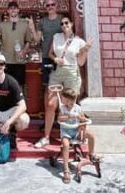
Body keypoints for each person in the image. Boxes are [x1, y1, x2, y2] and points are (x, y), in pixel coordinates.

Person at [35, 16, 91, 148]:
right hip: (57, 72)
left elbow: (81, 62)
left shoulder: (79, 41)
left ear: (71, 24)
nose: (64, 25)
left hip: (72, 72)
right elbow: (50, 53)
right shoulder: (57, 37)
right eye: (62, 23)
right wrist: (55, 60)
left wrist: (85, 50)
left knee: (70, 104)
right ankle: (46, 137)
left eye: (67, 23)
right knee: (50, 104)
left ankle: (71, 137)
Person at [58, 87, 98, 184]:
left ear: (68, 100)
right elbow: (59, 118)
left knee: (91, 135)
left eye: (63, 98)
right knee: (66, 145)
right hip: (66, 132)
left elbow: (83, 119)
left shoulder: (77, 108)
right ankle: (66, 169)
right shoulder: (62, 108)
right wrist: (68, 116)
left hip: (76, 131)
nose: (62, 100)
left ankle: (91, 154)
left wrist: (81, 121)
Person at [0, 1, 36, 87]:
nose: (13, 10)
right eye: (11, 8)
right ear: (8, 11)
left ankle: (20, 101)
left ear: (18, 10)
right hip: (6, 61)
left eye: (15, 8)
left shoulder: (25, 24)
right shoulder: (2, 25)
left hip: (20, 60)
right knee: (5, 86)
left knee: (19, 86)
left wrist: (24, 51)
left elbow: (28, 41)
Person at [35, 0, 62, 88]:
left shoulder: (62, 20)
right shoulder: (42, 22)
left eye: (52, 4)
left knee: (60, 84)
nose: (50, 7)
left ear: (56, 5)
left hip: (60, 56)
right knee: (47, 84)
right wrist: (32, 28)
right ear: (45, 7)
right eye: (48, 5)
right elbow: (37, 39)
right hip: (46, 56)